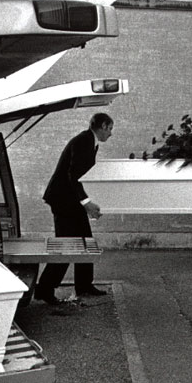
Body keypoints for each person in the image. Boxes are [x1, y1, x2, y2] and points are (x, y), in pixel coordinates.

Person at [34, 113, 114, 305]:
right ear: (102, 126)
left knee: (85, 242)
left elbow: (82, 176)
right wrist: (86, 203)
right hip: (63, 201)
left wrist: (89, 202)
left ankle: (84, 285)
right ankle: (44, 289)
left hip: (70, 200)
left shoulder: (88, 141)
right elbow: (74, 175)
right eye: (110, 129)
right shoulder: (84, 141)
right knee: (67, 246)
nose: (110, 134)